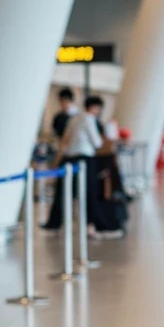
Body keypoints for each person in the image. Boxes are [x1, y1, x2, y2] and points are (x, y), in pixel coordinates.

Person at [43, 94, 103, 230]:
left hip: (68, 158)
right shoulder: (89, 119)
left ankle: (55, 222)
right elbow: (97, 142)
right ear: (94, 107)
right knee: (89, 192)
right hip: (84, 159)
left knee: (63, 192)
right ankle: (90, 225)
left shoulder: (74, 118)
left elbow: (65, 139)